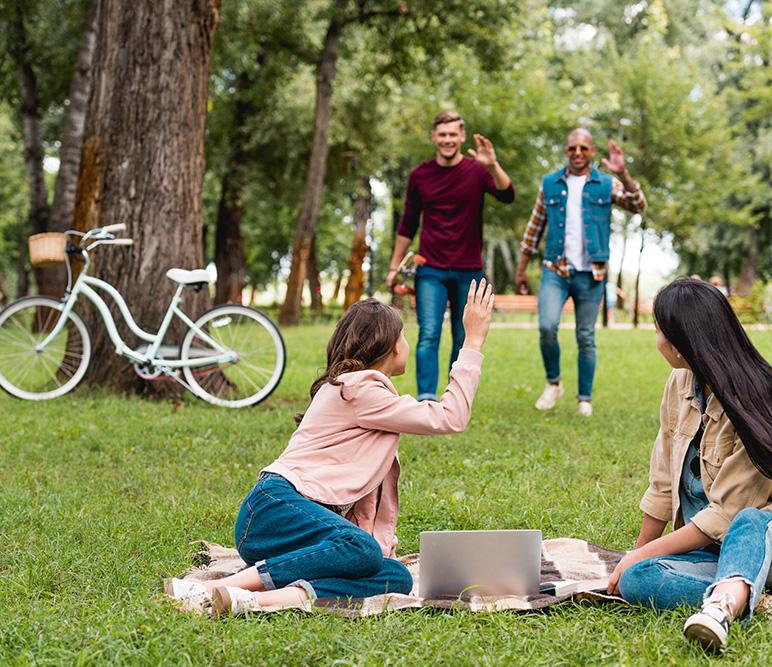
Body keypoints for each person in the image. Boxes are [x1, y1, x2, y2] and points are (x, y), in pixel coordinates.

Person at [164, 280, 496, 616]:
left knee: (394, 575)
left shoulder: (360, 393)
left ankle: (250, 601)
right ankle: (206, 588)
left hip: (289, 530)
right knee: (361, 549)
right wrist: (473, 340)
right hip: (275, 509)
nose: (406, 343)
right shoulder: (360, 389)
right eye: (404, 335)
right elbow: (450, 417)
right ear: (390, 345)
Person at [606, 277, 772, 652]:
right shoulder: (678, 384)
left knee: (747, 522)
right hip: (716, 551)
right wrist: (632, 557)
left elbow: (727, 517)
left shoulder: (754, 398)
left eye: (659, 331)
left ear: (683, 343)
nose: (656, 340)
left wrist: (645, 552)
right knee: (638, 579)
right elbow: (662, 483)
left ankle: (720, 610)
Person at [515, 129, 647, 416]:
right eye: (572, 148)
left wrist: (623, 174)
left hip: (592, 273)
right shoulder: (550, 184)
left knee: (586, 336)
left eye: (583, 148)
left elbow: (638, 206)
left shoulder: (606, 183)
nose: (577, 153)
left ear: (591, 151)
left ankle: (584, 398)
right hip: (556, 269)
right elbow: (533, 229)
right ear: (566, 150)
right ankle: (553, 383)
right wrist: (522, 269)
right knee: (547, 327)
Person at [386, 111, 515, 401]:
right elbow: (407, 225)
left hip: (468, 269)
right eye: (442, 134)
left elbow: (508, 195)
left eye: (452, 134)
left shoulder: (477, 171)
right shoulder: (420, 175)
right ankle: (428, 399)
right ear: (434, 137)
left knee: (462, 336)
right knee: (429, 333)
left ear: (461, 136)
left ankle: (455, 398)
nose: (447, 139)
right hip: (430, 268)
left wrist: (493, 165)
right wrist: (394, 266)